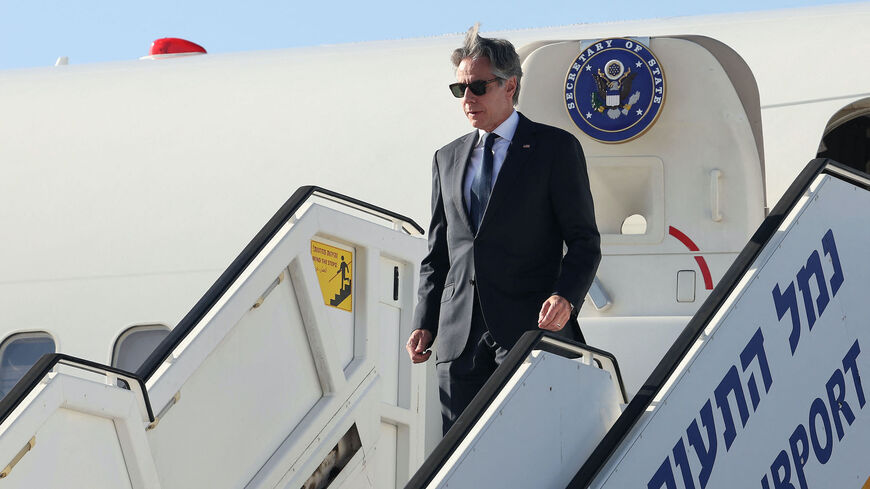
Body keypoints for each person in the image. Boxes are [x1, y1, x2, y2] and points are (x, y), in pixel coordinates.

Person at [405, 25, 600, 434]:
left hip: (530, 328)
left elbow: (584, 241)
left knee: (531, 446)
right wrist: (425, 320)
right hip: (458, 341)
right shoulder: (447, 158)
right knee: (459, 456)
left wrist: (566, 296)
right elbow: (438, 253)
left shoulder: (554, 149)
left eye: (478, 87)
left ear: (510, 85)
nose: (468, 99)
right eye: (460, 90)